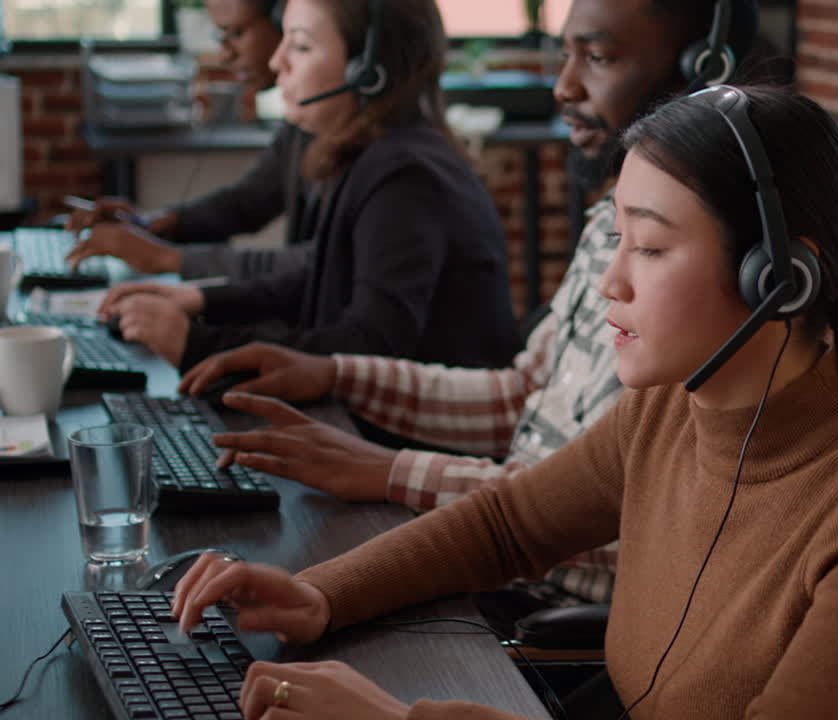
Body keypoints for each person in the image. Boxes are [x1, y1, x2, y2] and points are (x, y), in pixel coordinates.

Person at [172, 85, 838, 720]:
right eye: (616, 238)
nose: (611, 281)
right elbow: (506, 525)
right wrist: (320, 592)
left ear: (780, 277)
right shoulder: (668, 411)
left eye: (649, 246)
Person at [178, 0, 760, 612]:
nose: (562, 87)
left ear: (701, 71)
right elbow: (523, 396)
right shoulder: (602, 228)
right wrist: (336, 376)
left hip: (551, 611)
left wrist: (392, 472)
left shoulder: (716, 286)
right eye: (564, 55)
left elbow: (620, 517)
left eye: (597, 57)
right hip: (504, 558)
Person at [90, 0, 519, 373]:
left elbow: (368, 347)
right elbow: (322, 274)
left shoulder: (404, 177)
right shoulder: (364, 153)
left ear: (365, 71)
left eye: (300, 46)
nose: (278, 62)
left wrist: (199, 345)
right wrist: (201, 299)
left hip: (420, 435)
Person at [64, 0, 310, 281]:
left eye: (236, 33)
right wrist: (150, 223)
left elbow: (318, 266)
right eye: (220, 36)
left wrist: (165, 258)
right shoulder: (303, 125)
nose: (224, 55)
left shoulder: (342, 134)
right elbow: (249, 201)